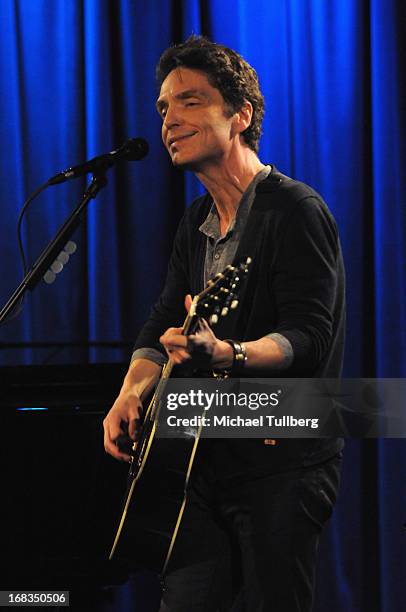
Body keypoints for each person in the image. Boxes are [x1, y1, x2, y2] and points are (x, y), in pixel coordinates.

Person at [103, 36, 345, 612]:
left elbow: (309, 338)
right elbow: (162, 321)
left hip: (282, 460)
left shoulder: (295, 210)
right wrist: (130, 391)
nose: (169, 121)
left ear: (241, 115)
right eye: (163, 108)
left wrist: (230, 355)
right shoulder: (197, 221)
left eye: (189, 102)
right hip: (203, 463)